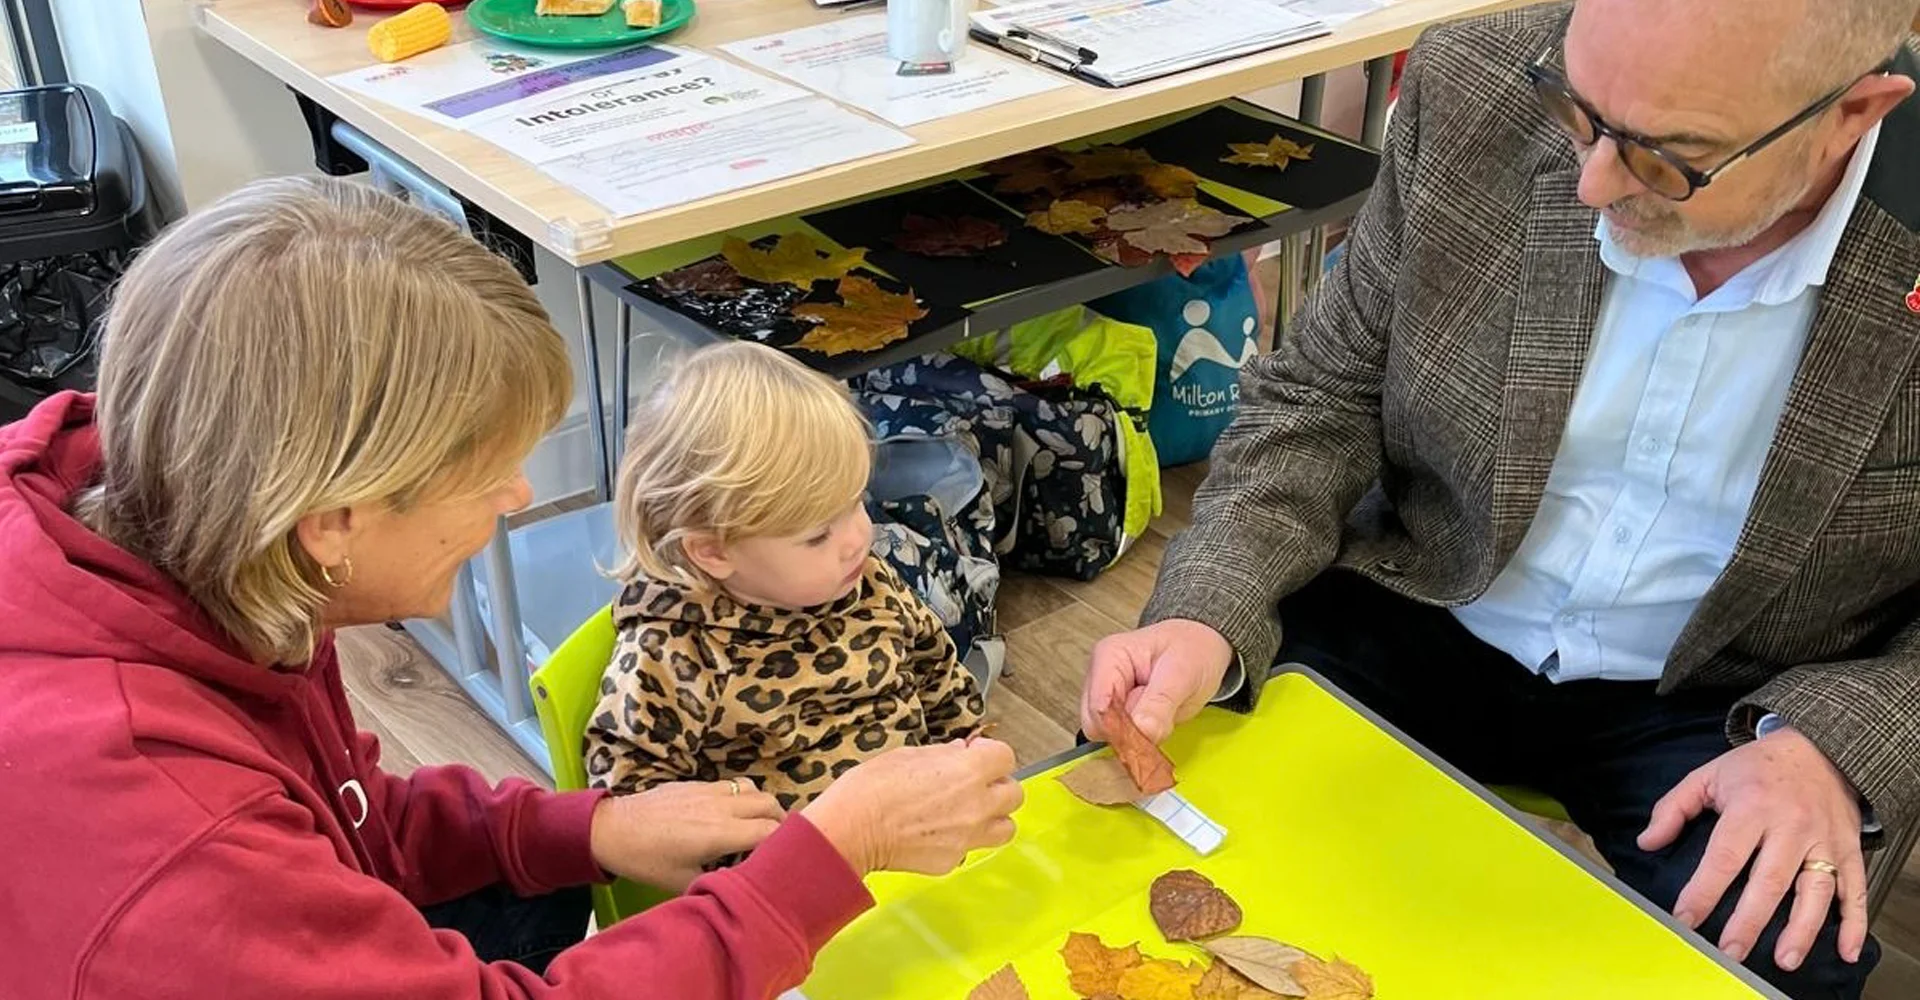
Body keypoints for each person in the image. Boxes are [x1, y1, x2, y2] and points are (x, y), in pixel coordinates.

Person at [0, 176, 1021, 999]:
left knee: (536, 891)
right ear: (336, 517)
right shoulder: (172, 842)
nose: (521, 491)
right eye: (486, 472)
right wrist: (823, 865)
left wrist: (582, 828)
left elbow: (355, 818)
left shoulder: (220, 554)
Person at [1084, 1, 1917, 998]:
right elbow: (1324, 387)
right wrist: (1207, 604)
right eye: (1579, 109)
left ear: (1855, 112)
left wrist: (1836, 742)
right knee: (1128, 828)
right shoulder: (1475, 81)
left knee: (1777, 952)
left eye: (1670, 156)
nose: (1592, 180)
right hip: (1426, 592)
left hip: (1734, 691)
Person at [584, 341, 986, 810]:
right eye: (818, 535)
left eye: (857, 501)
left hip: (922, 832)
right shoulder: (676, 651)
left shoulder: (867, 581)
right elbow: (631, 804)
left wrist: (969, 754)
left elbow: (939, 676)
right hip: (787, 874)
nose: (859, 536)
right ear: (713, 550)